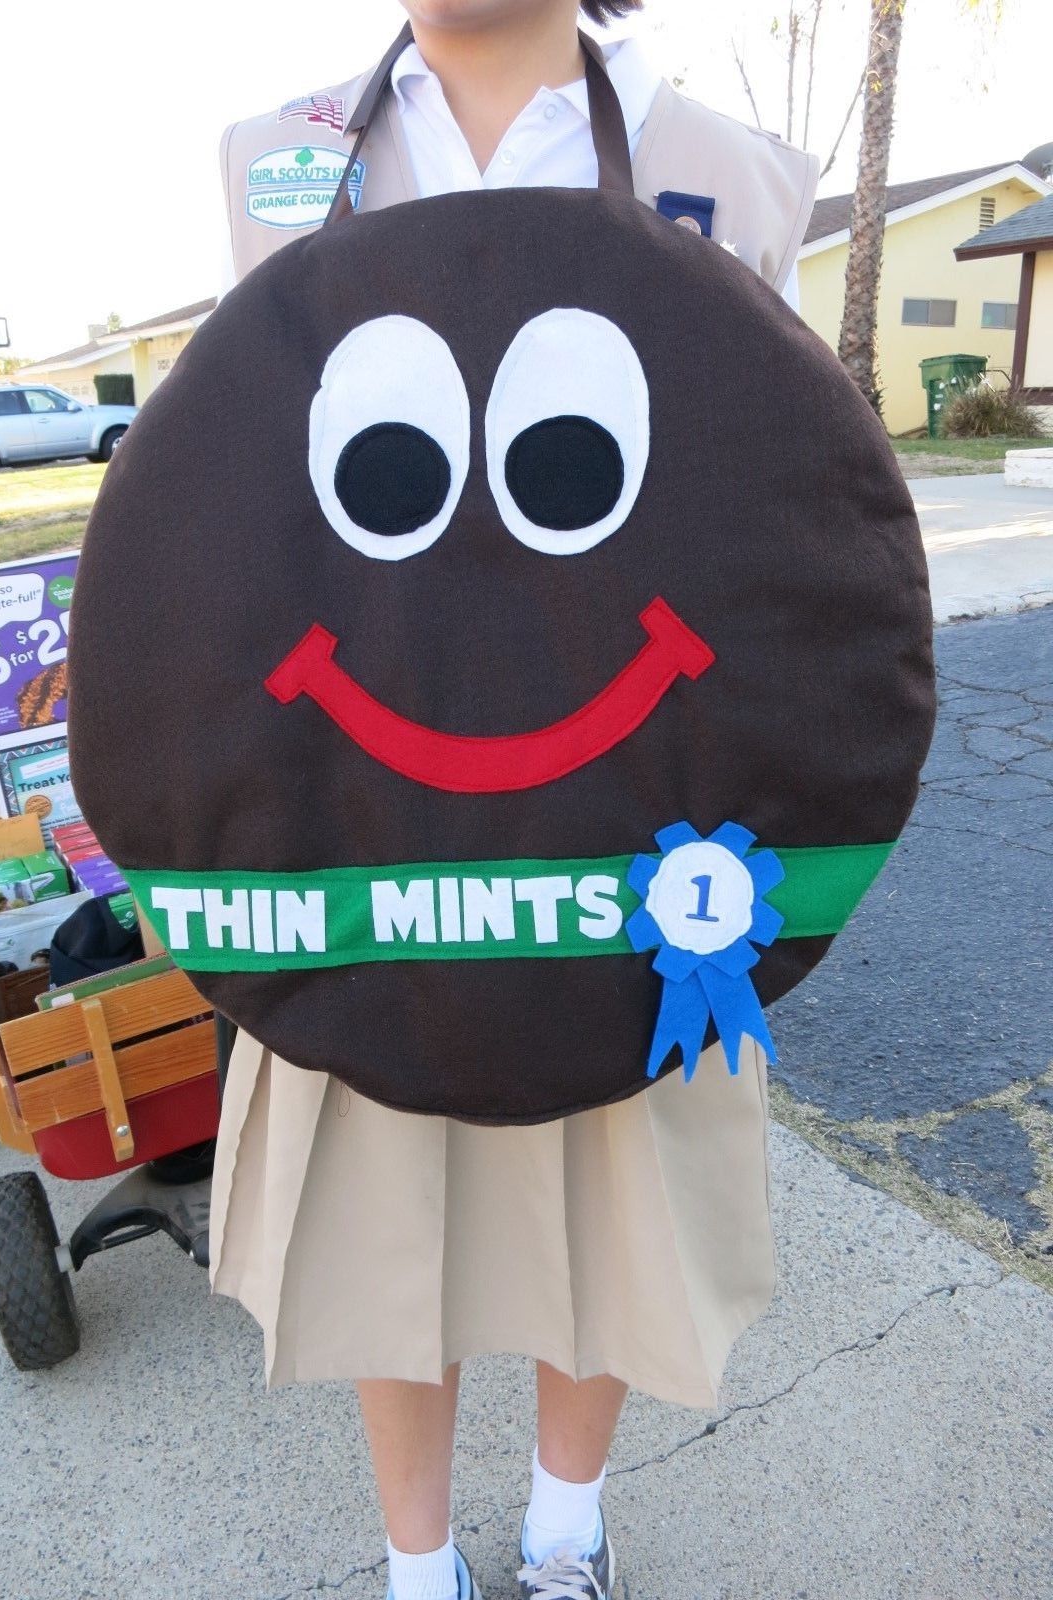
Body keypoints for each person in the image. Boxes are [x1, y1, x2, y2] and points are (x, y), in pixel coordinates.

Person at [211, 5, 818, 1598]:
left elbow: (783, 508)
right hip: (363, 829)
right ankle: (421, 1567)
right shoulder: (280, 165)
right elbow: (233, 505)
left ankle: (566, 1531)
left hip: (639, 825)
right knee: (378, 1218)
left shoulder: (721, 170)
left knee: (612, 1214)